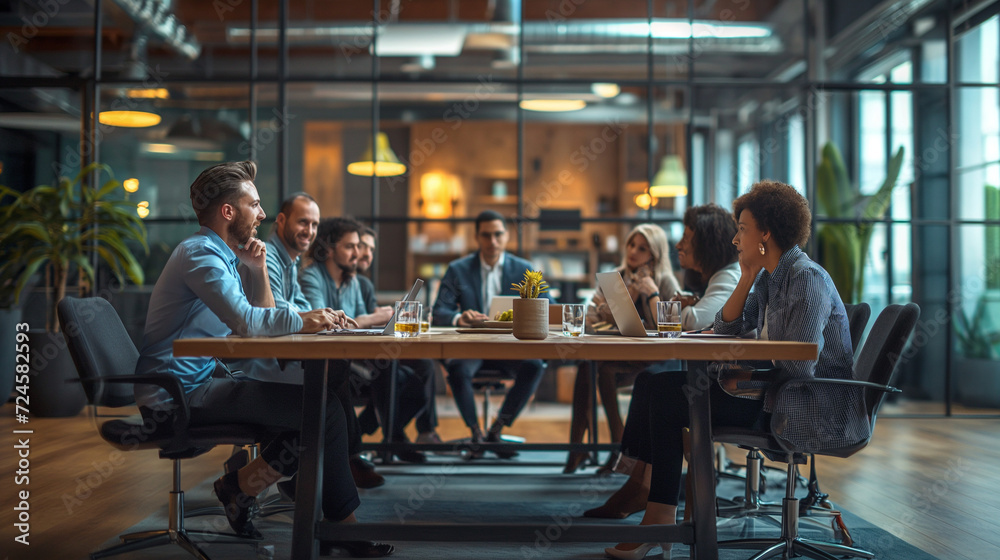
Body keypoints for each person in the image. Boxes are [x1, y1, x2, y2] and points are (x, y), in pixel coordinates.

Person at [133, 161, 393, 558]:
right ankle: (339, 527)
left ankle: (238, 488)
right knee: (322, 412)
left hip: (202, 382)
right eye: (254, 205)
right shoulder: (199, 255)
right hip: (176, 396)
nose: (262, 214)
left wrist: (258, 272)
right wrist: (308, 319)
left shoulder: (223, 256)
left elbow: (260, 315)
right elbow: (248, 322)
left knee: (315, 411)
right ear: (228, 212)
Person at [603, 180, 865, 559]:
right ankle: (659, 518)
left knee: (665, 395)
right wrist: (745, 276)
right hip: (777, 393)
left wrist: (748, 362)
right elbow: (727, 328)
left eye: (742, 228)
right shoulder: (770, 278)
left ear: (766, 233)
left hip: (803, 406)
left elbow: (798, 364)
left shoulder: (806, 279)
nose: (734, 238)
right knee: (660, 387)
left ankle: (659, 520)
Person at [579, 205, 740, 517]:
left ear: (705, 244)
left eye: (686, 238)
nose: (678, 245)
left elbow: (690, 322)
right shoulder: (722, 277)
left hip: (733, 386)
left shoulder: (728, 277)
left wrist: (654, 296)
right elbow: (700, 318)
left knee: (658, 389)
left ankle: (647, 493)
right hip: (710, 373)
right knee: (643, 382)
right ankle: (640, 485)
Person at [254, 192, 384, 489]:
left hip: (282, 358)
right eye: (303, 222)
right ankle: (334, 471)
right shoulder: (268, 257)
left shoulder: (290, 262)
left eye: (314, 224)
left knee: (337, 379)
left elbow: (302, 309)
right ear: (282, 220)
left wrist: (325, 315)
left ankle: (320, 476)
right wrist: (316, 316)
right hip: (262, 365)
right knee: (332, 388)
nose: (309, 231)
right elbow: (273, 314)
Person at [300, 217, 432, 463]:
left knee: (416, 387)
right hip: (327, 364)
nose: (357, 253)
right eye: (350, 247)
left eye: (358, 246)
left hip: (355, 360)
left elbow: (360, 323)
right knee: (390, 367)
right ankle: (386, 444)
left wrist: (383, 320)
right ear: (328, 249)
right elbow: (321, 323)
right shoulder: (311, 277)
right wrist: (373, 317)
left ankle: (369, 440)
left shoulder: (352, 280)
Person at [432, 210, 553, 458]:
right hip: (472, 347)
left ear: (507, 236)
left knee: (535, 365)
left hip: (510, 347)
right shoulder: (458, 269)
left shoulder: (525, 269)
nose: (492, 241)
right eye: (486, 236)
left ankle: (496, 431)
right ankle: (476, 434)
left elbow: (547, 307)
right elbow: (439, 311)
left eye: (498, 235)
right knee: (457, 369)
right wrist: (459, 318)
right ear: (477, 237)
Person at [563, 224, 680, 474]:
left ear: (655, 254)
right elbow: (592, 316)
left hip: (653, 358)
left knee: (603, 371)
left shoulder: (664, 281)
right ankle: (586, 447)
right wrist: (610, 307)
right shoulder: (614, 277)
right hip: (619, 354)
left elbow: (669, 327)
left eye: (642, 248)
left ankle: (614, 449)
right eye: (631, 245)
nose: (633, 251)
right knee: (588, 366)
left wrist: (651, 293)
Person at [356, 227, 442, 445]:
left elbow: (369, 319)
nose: (367, 254)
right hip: (356, 355)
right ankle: (391, 439)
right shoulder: (340, 280)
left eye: (371, 249)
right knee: (396, 374)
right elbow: (356, 320)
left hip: (371, 350)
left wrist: (386, 317)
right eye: (361, 246)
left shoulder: (362, 283)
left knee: (425, 366)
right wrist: (378, 317)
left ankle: (416, 433)